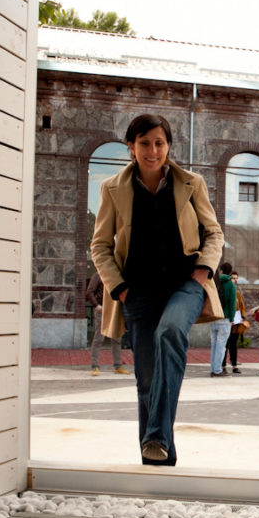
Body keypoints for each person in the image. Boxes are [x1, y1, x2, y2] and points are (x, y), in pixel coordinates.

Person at [90, 113, 224, 465]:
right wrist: (120, 289)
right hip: (137, 292)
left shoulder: (192, 183)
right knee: (147, 380)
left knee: (170, 332)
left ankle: (155, 438)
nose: (153, 150)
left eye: (159, 143)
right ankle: (158, 460)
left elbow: (214, 233)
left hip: (186, 285)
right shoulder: (112, 188)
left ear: (168, 146)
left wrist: (202, 272)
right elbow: (100, 245)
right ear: (131, 147)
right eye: (145, 143)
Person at [85, 271, 127, 376]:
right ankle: (94, 366)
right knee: (99, 338)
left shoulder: (117, 275)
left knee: (117, 339)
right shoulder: (98, 275)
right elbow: (89, 292)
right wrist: (97, 306)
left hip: (115, 310)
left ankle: (118, 366)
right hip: (102, 310)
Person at [209, 262, 237, 377]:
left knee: (214, 345)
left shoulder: (214, 282)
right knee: (221, 346)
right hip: (224, 318)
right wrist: (231, 318)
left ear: (221, 271)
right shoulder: (230, 284)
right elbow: (232, 303)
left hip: (213, 316)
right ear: (230, 272)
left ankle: (213, 369)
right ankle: (217, 370)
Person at [226, 271, 247, 374]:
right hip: (227, 321)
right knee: (225, 344)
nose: (235, 280)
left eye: (236, 278)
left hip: (236, 322)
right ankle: (222, 365)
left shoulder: (237, 293)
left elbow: (242, 306)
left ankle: (234, 365)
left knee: (234, 344)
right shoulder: (226, 291)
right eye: (233, 278)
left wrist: (242, 317)